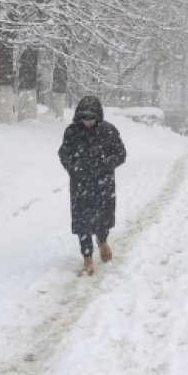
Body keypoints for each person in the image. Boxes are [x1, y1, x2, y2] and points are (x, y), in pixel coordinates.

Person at [58, 96, 127, 276]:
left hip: (103, 184)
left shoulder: (109, 131)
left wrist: (104, 165)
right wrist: (74, 168)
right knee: (82, 223)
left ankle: (103, 241)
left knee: (102, 219)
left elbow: (121, 154)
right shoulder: (72, 132)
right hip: (80, 184)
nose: (88, 122)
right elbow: (64, 153)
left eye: (91, 118)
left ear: (98, 116)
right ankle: (87, 258)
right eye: (84, 118)